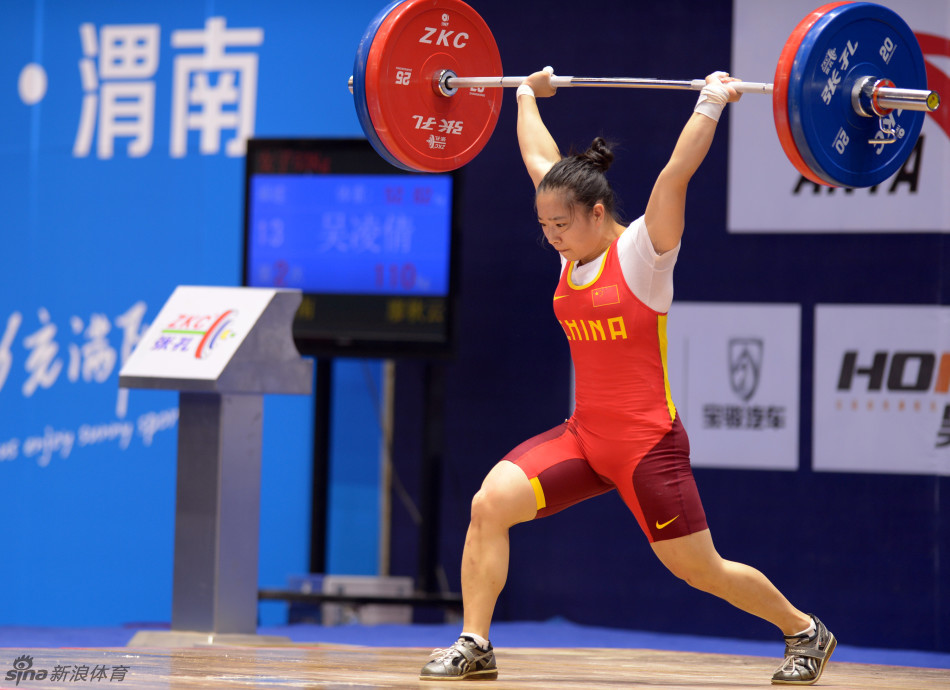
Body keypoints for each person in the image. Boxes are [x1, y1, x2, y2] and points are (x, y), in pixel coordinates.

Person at [419, 69, 835, 686]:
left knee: (703, 570)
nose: (551, 237)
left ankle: (804, 630)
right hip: (585, 440)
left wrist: (712, 101)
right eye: (543, 227)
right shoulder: (566, 223)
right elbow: (539, 157)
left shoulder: (643, 251)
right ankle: (474, 642)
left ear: (595, 212)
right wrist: (527, 94)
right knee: (489, 504)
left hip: (647, 448)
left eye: (560, 225)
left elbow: (674, 175)